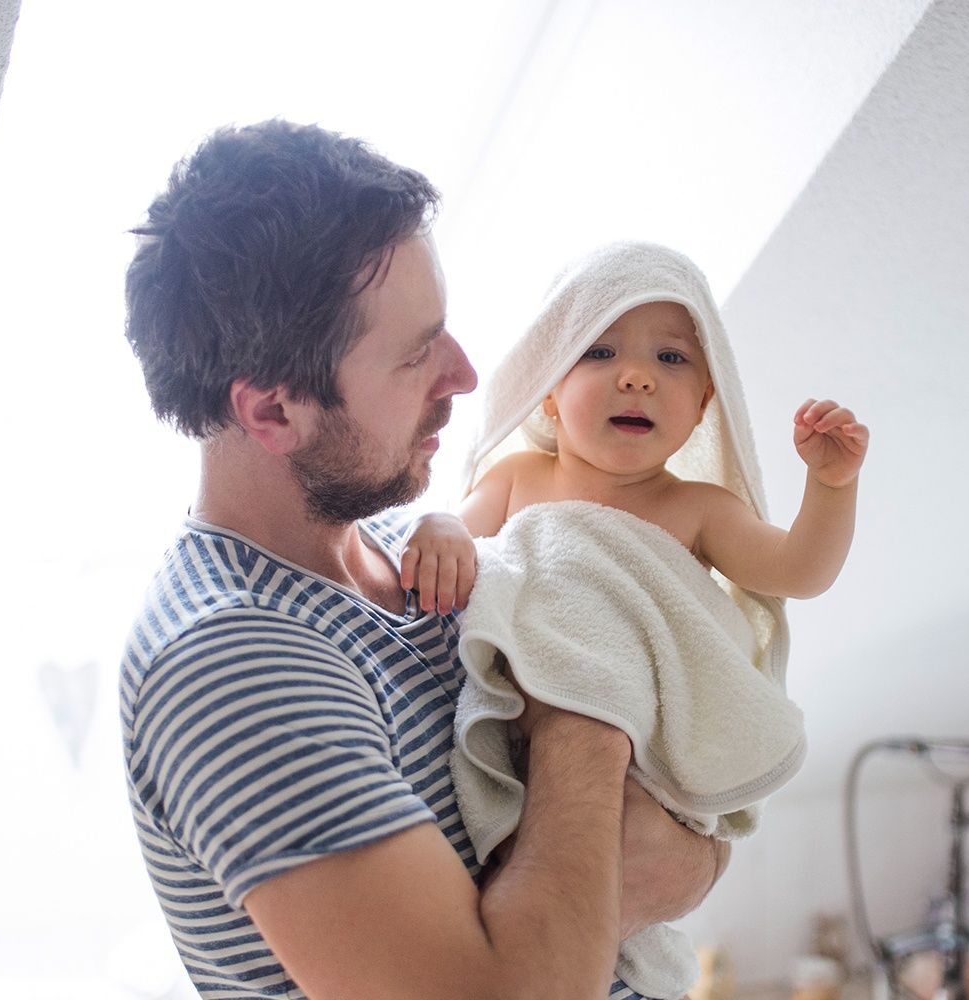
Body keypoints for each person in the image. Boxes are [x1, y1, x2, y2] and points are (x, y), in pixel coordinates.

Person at [119, 121, 723, 1000]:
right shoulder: (231, 658)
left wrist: (684, 859)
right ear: (273, 413)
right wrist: (584, 701)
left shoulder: (417, 546)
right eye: (415, 356)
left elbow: (690, 855)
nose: (466, 375)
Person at [400, 241, 868, 995]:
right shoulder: (519, 478)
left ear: (706, 403)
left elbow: (799, 572)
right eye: (600, 349)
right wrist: (441, 530)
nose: (638, 374)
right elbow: (457, 541)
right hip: (524, 743)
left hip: (639, 770)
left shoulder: (696, 509)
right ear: (546, 393)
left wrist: (832, 488)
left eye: (673, 360)